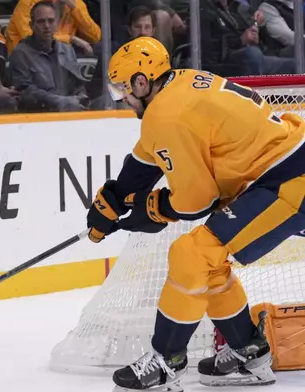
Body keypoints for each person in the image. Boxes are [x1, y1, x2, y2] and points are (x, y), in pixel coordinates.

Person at [85, 36, 305, 390]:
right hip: (281, 170)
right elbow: (147, 155)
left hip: (289, 181)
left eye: (121, 89)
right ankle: (249, 354)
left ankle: (167, 361)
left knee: (190, 254)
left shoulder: (164, 113)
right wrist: (116, 197)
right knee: (207, 258)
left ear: (142, 82)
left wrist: (153, 209)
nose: (121, 98)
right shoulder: (180, 82)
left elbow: (197, 201)